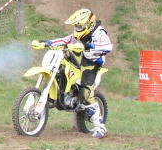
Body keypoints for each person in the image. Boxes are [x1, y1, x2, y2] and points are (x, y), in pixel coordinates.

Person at [37, 8, 113, 138]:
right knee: (61, 69)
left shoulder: (98, 33)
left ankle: (100, 126)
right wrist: (47, 42)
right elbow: (65, 40)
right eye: (76, 26)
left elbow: (108, 46)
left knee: (86, 92)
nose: (78, 28)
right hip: (79, 60)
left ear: (89, 23)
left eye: (80, 26)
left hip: (92, 63)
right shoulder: (78, 34)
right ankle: (64, 93)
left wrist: (89, 46)